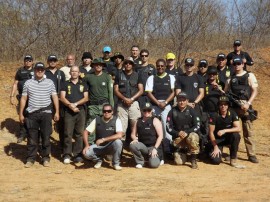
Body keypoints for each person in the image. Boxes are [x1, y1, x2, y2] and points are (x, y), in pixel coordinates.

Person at [19, 62, 59, 168]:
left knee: (46, 137)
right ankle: (31, 159)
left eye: (41, 69)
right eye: (37, 69)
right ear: (34, 70)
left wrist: (57, 112)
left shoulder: (50, 82)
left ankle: (45, 158)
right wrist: (21, 114)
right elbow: (23, 99)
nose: (39, 71)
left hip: (46, 114)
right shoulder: (28, 83)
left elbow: (55, 97)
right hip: (32, 114)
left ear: (44, 71)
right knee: (32, 138)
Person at [224, 56, 259, 163]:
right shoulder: (230, 78)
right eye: (235, 64)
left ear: (243, 64)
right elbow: (225, 92)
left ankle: (251, 154)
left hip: (246, 107)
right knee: (234, 133)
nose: (237, 66)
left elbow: (255, 90)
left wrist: (248, 103)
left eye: (239, 63)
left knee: (248, 132)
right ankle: (233, 154)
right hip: (234, 109)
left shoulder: (249, 75)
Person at [145, 59, 175, 156]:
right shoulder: (151, 78)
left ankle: (168, 151)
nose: (160, 67)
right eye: (158, 66)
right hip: (155, 105)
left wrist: (165, 102)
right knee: (153, 128)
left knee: (167, 129)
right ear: (156, 66)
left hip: (166, 106)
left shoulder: (171, 77)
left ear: (165, 66)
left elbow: (174, 92)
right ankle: (154, 149)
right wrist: (158, 103)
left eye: (162, 66)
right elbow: (149, 93)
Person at [60, 66, 88, 164]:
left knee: (79, 134)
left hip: (81, 111)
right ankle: (67, 154)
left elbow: (86, 98)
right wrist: (70, 106)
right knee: (68, 133)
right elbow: (62, 97)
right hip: (68, 111)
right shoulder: (65, 83)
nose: (74, 73)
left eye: (76, 71)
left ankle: (78, 154)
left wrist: (75, 104)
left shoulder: (83, 84)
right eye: (72, 71)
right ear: (70, 73)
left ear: (79, 73)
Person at [83, 104, 123, 171]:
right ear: (102, 112)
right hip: (99, 146)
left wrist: (103, 139)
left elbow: (119, 135)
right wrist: (86, 145)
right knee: (86, 153)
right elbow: (85, 132)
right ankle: (99, 160)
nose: (106, 112)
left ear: (112, 112)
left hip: (111, 146)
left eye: (109, 111)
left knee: (118, 142)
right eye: (104, 111)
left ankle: (116, 163)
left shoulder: (116, 120)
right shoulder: (97, 120)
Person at [83, 58, 114, 144]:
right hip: (93, 106)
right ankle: (90, 146)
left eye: (100, 64)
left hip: (105, 105)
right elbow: (83, 89)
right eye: (96, 64)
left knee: (106, 126)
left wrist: (111, 107)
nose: (98, 66)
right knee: (91, 126)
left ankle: (106, 146)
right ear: (93, 66)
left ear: (103, 66)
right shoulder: (88, 77)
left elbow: (110, 92)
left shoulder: (107, 77)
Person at [166, 92, 200, 169]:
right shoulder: (172, 111)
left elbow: (197, 125)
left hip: (189, 136)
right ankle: (185, 152)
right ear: (177, 101)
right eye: (180, 100)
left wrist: (187, 132)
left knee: (193, 137)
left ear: (187, 101)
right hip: (178, 139)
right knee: (179, 162)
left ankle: (193, 159)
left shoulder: (192, 111)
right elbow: (168, 127)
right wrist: (178, 133)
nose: (182, 102)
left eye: (184, 100)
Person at [114, 57, 143, 144]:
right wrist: (124, 99)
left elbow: (141, 90)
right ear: (124, 64)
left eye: (130, 63)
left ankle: (136, 148)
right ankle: (120, 149)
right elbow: (115, 90)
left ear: (133, 65)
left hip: (134, 104)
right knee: (121, 128)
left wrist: (132, 99)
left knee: (136, 126)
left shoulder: (137, 75)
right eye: (126, 63)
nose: (128, 65)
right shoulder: (119, 75)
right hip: (121, 104)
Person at [208, 96, 243, 168]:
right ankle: (211, 152)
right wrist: (215, 147)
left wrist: (225, 130)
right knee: (216, 161)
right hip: (217, 140)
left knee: (236, 135)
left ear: (228, 105)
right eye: (221, 104)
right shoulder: (214, 115)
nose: (223, 106)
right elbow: (211, 132)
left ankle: (233, 159)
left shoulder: (232, 113)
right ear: (218, 105)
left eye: (225, 104)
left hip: (228, 138)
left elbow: (238, 128)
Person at [130, 102, 163, 168]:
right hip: (143, 146)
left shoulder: (155, 120)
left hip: (153, 146)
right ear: (142, 110)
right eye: (144, 110)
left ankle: (158, 158)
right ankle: (140, 162)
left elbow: (160, 136)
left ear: (151, 110)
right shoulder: (138, 121)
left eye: (148, 110)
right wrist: (135, 139)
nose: (146, 112)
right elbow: (133, 134)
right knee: (133, 145)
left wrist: (155, 148)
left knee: (154, 165)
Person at [10, 55, 34, 143]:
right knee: (22, 115)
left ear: (32, 62)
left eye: (30, 60)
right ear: (24, 61)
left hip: (33, 98)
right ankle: (22, 134)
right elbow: (15, 84)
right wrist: (12, 96)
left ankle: (31, 134)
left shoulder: (36, 70)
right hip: (22, 97)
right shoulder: (20, 71)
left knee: (32, 116)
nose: (28, 62)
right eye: (26, 60)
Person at [45, 54, 66, 149]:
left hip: (59, 101)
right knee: (46, 123)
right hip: (47, 101)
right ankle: (46, 145)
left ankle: (62, 145)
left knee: (61, 123)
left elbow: (64, 87)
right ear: (48, 61)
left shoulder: (60, 73)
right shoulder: (44, 72)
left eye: (54, 60)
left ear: (57, 61)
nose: (52, 62)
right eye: (50, 60)